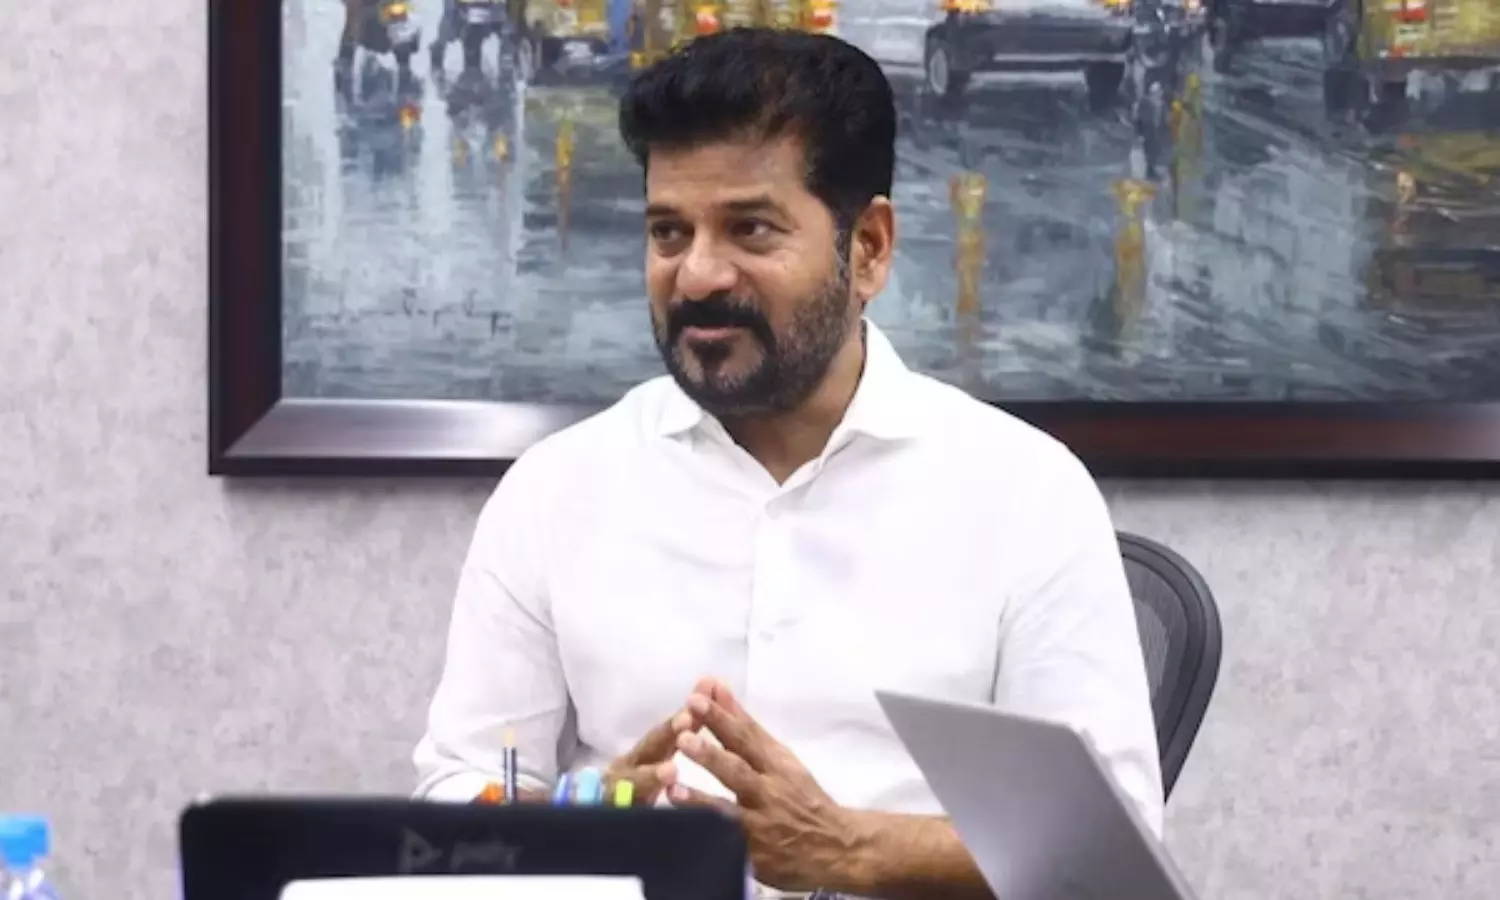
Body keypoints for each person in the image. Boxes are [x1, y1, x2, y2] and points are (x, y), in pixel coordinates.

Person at [414, 27, 1163, 899]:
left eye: (750, 229)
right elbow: (457, 793)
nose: (697, 275)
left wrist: (849, 850)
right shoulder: (554, 491)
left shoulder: (1025, 495)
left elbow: (1105, 856)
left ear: (868, 248)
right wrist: (598, 810)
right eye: (669, 232)